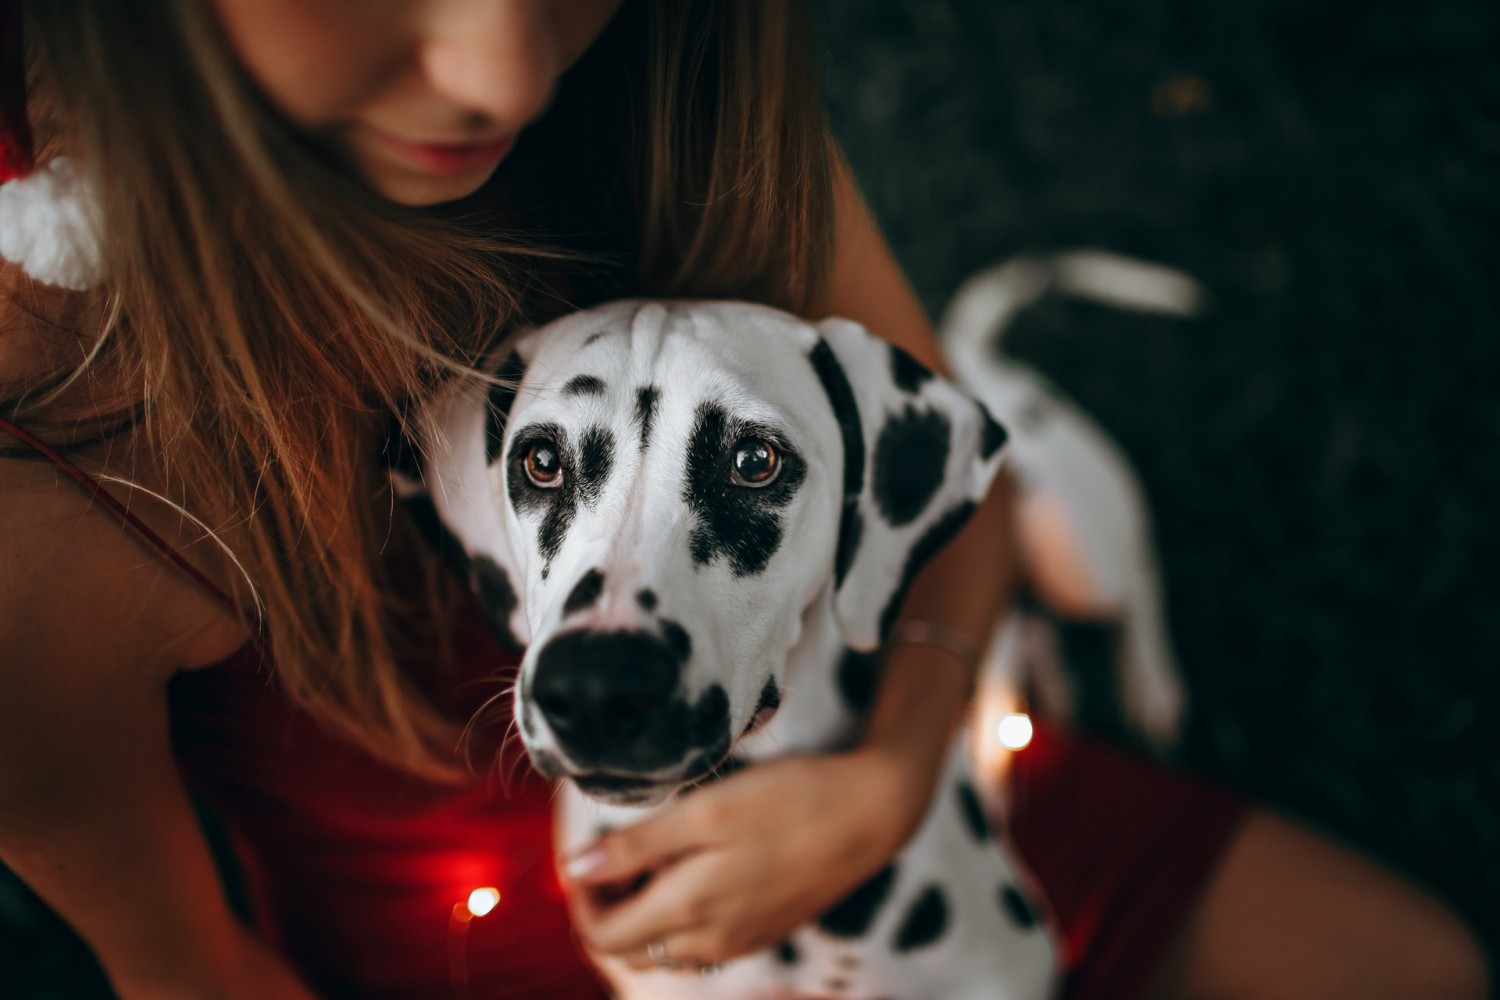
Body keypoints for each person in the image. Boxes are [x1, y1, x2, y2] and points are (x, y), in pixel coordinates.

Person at [0, 2, 1487, 998]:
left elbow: (935, 488)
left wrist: (889, 779)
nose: (507, 74)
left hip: (872, 782)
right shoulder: (39, 498)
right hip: (492, 965)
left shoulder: (637, 87)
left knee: (1415, 968)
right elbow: (188, 975)